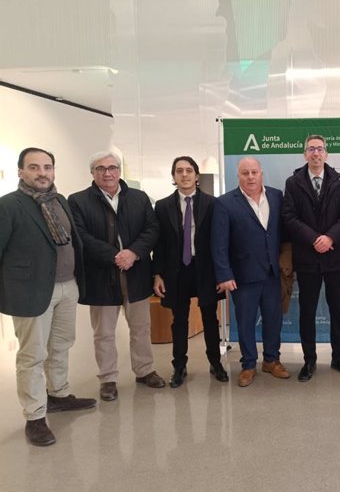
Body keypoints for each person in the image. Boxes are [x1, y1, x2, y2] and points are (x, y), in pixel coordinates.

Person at [0, 148, 96, 447]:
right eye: (34, 167)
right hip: (31, 292)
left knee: (61, 345)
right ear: (20, 172)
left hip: (67, 286)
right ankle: (35, 416)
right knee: (32, 356)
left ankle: (58, 395)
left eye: (47, 167)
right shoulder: (9, 206)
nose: (42, 173)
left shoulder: (59, 200)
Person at [68, 150, 165, 401]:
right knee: (104, 333)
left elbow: (152, 229)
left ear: (120, 171)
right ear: (92, 173)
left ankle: (144, 371)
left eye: (112, 167)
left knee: (141, 328)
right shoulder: (77, 201)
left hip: (137, 274)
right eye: (101, 168)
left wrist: (133, 253)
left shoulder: (139, 198)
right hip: (102, 276)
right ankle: (108, 379)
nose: (108, 173)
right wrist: (115, 256)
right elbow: (81, 237)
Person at [282, 134, 340, 382]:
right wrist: (315, 238)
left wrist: (330, 238)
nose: (315, 153)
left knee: (338, 310)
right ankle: (309, 360)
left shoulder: (339, 181)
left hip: (334, 257)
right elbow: (289, 217)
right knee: (307, 312)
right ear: (305, 154)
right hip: (307, 257)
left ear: (326, 153)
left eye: (320, 149)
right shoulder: (293, 182)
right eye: (311, 149)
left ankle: (339, 357)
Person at [211, 157, 289, 387]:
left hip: (273, 273)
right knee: (245, 322)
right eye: (245, 173)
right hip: (243, 275)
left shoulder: (276, 196)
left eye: (254, 172)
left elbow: (281, 234)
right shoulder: (225, 203)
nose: (251, 177)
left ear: (261, 174)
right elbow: (219, 243)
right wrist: (224, 274)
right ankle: (248, 365)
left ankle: (272, 361)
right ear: (239, 177)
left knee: (274, 320)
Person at [153, 156, 228, 388]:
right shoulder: (163, 206)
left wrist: (221, 273)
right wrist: (157, 274)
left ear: (197, 176)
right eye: (179, 171)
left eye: (188, 170)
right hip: (176, 271)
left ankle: (216, 363)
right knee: (179, 321)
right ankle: (179, 366)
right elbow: (159, 243)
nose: (184, 175)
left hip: (205, 269)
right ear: (173, 177)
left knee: (209, 318)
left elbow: (220, 241)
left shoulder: (213, 204)